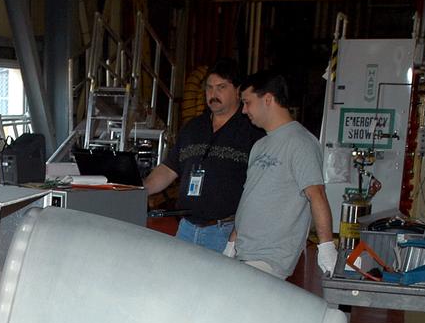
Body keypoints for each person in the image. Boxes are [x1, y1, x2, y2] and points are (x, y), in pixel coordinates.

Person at [142, 58, 264, 254]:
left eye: (221, 87)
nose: (213, 94)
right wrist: (138, 190)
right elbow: (168, 169)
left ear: (238, 91)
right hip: (187, 229)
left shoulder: (252, 131)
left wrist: (238, 235)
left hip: (225, 231)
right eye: (209, 88)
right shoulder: (193, 128)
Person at [234, 70, 336, 278]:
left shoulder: (301, 142)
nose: (244, 110)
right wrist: (232, 242)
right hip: (244, 253)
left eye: (247, 102)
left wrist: (326, 246)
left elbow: (316, 194)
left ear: (268, 99)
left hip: (269, 259)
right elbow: (250, 198)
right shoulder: (260, 145)